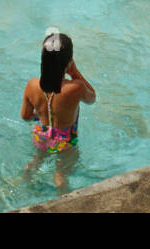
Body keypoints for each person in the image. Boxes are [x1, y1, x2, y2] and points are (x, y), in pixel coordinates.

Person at [21, 32, 96, 192]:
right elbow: (92, 98)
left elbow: (25, 116)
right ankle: (63, 201)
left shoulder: (32, 85)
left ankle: (23, 183)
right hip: (66, 140)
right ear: (69, 63)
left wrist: (39, 116)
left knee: (35, 162)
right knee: (61, 174)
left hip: (41, 135)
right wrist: (75, 72)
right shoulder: (75, 88)